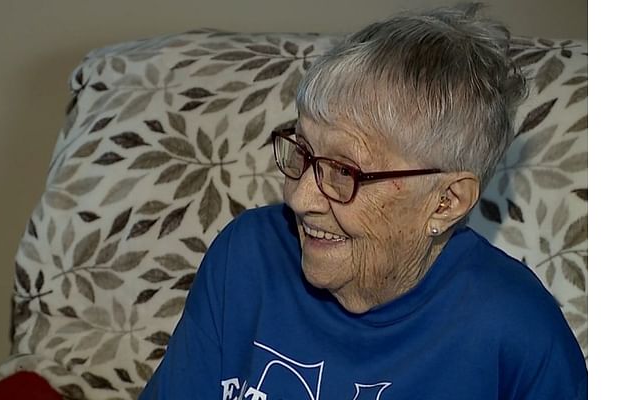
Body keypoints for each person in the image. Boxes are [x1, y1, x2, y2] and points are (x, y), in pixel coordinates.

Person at [140, 4, 587, 399]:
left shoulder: (518, 334)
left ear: (446, 201)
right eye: (303, 151)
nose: (298, 197)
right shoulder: (247, 257)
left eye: (344, 172)